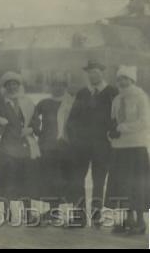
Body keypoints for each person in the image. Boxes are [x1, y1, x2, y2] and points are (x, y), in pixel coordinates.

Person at [66, 60, 119, 228]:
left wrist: (112, 135)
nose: (92, 75)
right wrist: (75, 139)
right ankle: (79, 216)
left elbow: (117, 118)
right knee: (77, 179)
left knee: (98, 181)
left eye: (95, 71)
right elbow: (72, 119)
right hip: (81, 146)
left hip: (102, 146)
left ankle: (96, 216)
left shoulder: (112, 92)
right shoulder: (83, 93)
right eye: (89, 72)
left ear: (102, 72)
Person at [105, 66, 150, 235]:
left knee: (136, 185)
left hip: (136, 146)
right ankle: (127, 220)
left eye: (125, 78)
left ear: (132, 80)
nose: (121, 82)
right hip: (119, 147)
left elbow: (145, 122)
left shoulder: (140, 97)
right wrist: (111, 133)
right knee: (121, 185)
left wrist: (122, 128)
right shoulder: (117, 99)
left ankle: (140, 221)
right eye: (119, 79)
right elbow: (113, 120)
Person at [0, 71, 40, 225]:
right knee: (7, 179)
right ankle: (7, 213)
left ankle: (27, 212)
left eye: (15, 84)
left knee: (25, 179)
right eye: (9, 85)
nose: (12, 87)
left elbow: (35, 121)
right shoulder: (1, 104)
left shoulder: (27, 102)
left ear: (19, 86)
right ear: (5, 87)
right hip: (8, 146)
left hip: (24, 146)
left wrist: (31, 129)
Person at [30, 72, 75, 225]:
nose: (57, 87)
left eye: (61, 84)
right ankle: (53, 210)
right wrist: (38, 131)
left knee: (63, 178)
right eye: (54, 84)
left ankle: (61, 210)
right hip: (47, 146)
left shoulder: (71, 102)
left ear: (65, 86)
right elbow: (33, 118)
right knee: (49, 178)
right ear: (50, 86)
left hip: (65, 147)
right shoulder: (44, 102)